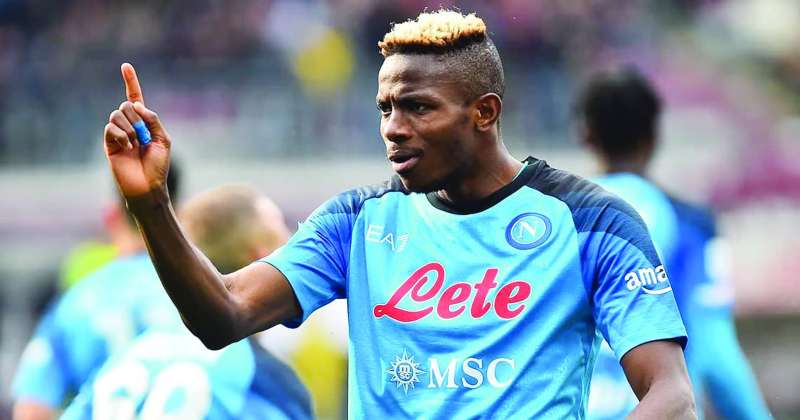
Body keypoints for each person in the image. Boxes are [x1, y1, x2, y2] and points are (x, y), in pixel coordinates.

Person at [102, 10, 695, 418]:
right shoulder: (356, 222)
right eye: (385, 107)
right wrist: (150, 204)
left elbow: (671, 397)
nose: (394, 128)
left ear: (484, 112)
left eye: (418, 107)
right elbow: (225, 315)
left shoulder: (594, 223)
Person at [577, 67, 771, 419]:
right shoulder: (691, 225)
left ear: (585, 134)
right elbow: (716, 350)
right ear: (654, 135)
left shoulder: (558, 222)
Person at [59, 185, 313, 420]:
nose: (291, 238)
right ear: (263, 256)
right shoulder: (263, 380)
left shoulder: (124, 359)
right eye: (281, 226)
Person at [11, 167, 182, 420]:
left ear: (111, 217)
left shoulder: (75, 302)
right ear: (180, 217)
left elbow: (31, 409)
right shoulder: (199, 299)